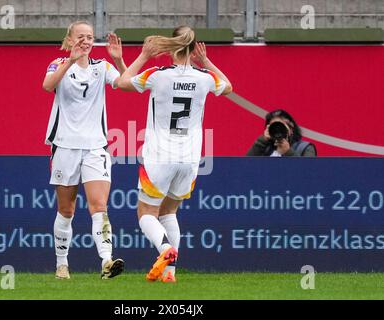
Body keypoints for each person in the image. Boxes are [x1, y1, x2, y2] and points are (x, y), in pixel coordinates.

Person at [118, 26, 232, 283]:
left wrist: (144, 55)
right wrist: (206, 61)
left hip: (159, 156)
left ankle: (165, 250)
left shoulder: (159, 75)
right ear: (193, 50)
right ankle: (170, 274)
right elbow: (229, 87)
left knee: (146, 213)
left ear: (172, 48)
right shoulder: (205, 78)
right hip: (190, 159)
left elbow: (122, 83)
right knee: (169, 213)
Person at [42, 21, 126, 280]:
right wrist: (70, 60)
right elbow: (47, 85)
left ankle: (106, 261)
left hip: (95, 147)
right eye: (80, 37)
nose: (86, 41)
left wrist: (120, 61)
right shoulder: (58, 64)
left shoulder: (102, 67)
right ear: (69, 40)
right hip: (65, 146)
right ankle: (62, 264)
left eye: (90, 37)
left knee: (99, 205)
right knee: (66, 210)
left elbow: (127, 83)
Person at [246, 109, 317, 157]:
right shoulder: (265, 148)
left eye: (281, 126)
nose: (278, 130)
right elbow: (245, 167)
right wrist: (262, 141)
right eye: (274, 127)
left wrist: (288, 152)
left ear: (291, 129)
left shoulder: (305, 148)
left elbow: (307, 173)